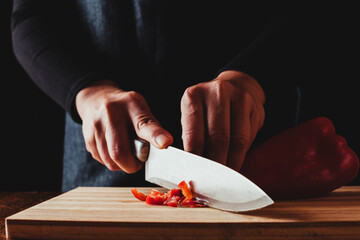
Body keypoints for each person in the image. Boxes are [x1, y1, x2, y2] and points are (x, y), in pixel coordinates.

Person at [11, 1, 303, 191]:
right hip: (101, 166)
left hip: (257, 157)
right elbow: (31, 15)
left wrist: (252, 73)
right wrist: (88, 91)